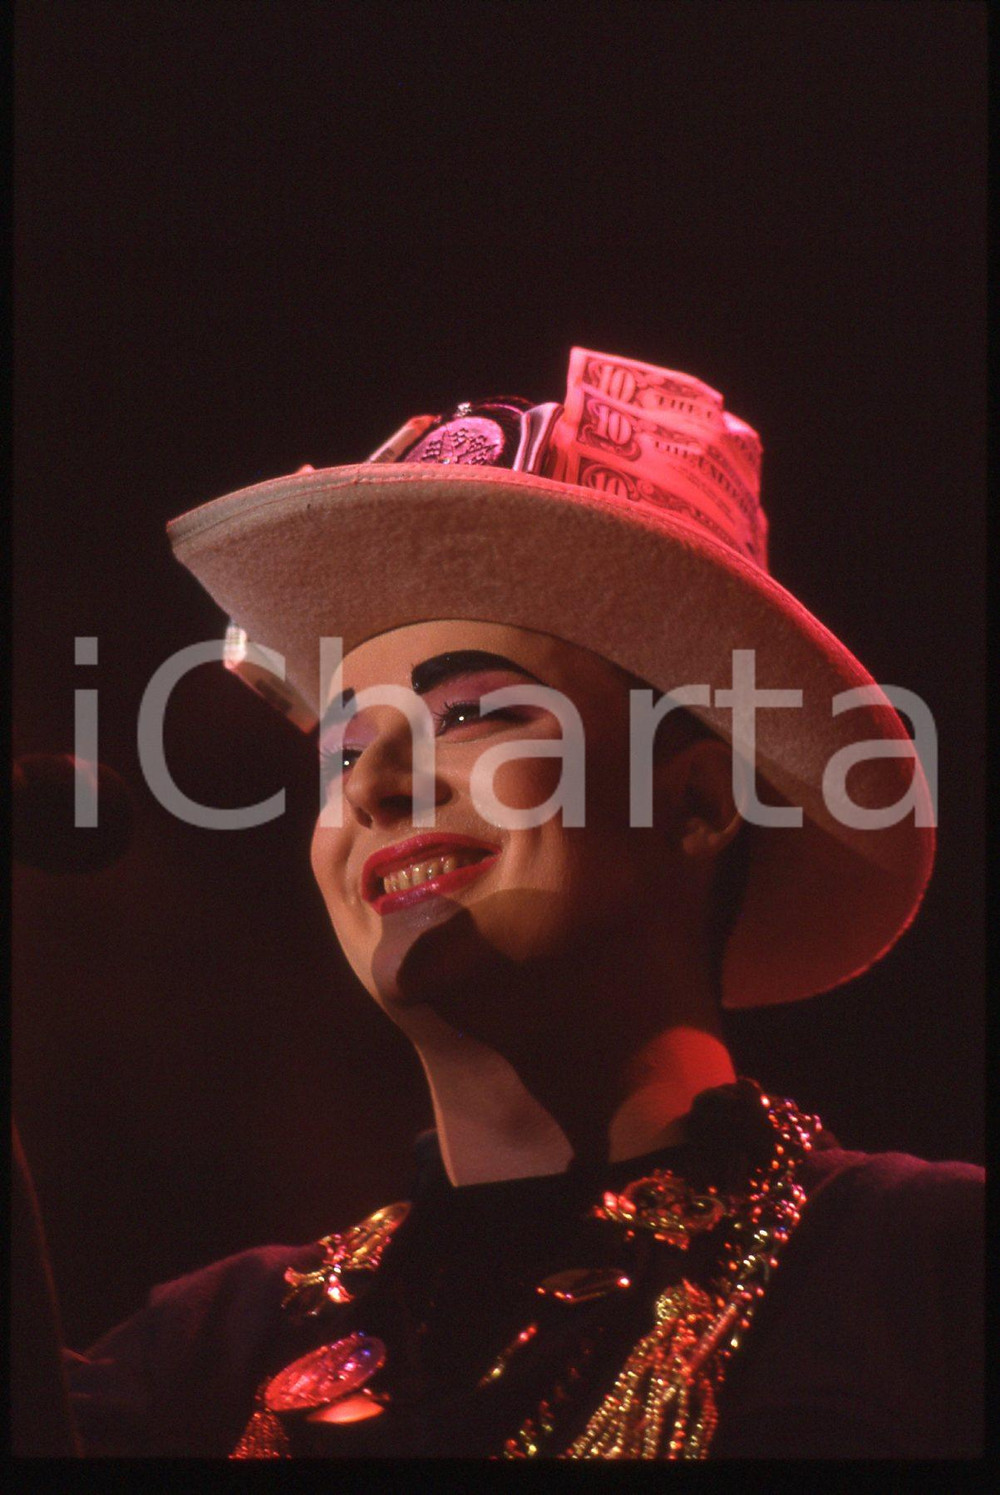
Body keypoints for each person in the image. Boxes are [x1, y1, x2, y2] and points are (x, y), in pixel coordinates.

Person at [64, 350, 982, 1458]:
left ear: (694, 801)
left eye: (472, 715)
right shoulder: (196, 1362)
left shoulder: (923, 1272)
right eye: (342, 748)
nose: (374, 783)